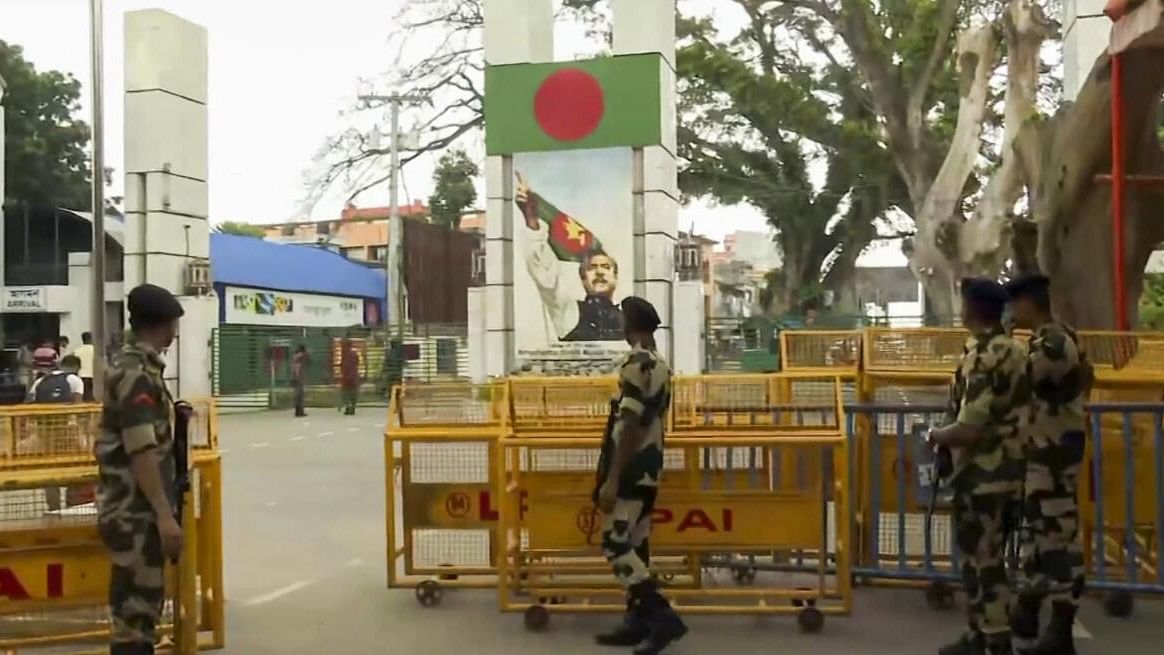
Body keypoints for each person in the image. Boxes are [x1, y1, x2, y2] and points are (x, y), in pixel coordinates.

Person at [929, 278, 1029, 655]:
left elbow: (970, 427)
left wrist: (936, 437)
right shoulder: (1013, 351)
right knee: (987, 556)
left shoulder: (985, 355)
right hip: (1009, 471)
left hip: (984, 474)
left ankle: (995, 638)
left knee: (982, 561)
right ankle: (980, 634)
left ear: (971, 308)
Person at [95, 283, 186, 654]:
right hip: (136, 513)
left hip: (134, 510)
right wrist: (165, 517)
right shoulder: (136, 373)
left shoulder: (137, 365)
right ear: (163, 324)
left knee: (138, 616)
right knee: (135, 621)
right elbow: (141, 449)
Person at [1004, 274, 1091, 655]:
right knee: (1039, 537)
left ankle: (1061, 628)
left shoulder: (1055, 343)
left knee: (1059, 541)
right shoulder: (1045, 340)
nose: (1011, 310)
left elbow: (1014, 382)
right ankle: (1029, 609)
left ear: (1030, 303)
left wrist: (1003, 344)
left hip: (1054, 453)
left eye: (1015, 302)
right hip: (1041, 451)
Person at [593, 296, 686, 655]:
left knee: (615, 543)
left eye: (620, 316)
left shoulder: (636, 363)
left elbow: (629, 423)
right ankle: (638, 622)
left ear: (629, 323)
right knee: (637, 543)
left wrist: (613, 479)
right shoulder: (659, 363)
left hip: (632, 468)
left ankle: (662, 618)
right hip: (651, 466)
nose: (617, 321)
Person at [515, 172, 624, 342]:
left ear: (616, 277)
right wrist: (532, 221)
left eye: (606, 267)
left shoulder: (630, 320)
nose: (600, 272)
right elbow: (545, 277)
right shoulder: (569, 313)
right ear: (583, 279)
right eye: (592, 268)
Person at [30, 353, 87, 512]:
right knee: (76, 466)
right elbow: (78, 406)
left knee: (50, 470)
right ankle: (73, 504)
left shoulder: (40, 381)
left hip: (45, 431)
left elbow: (31, 406)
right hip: (68, 429)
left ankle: (53, 508)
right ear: (77, 367)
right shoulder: (75, 380)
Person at [339, 339, 360, 415]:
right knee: (353, 393)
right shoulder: (354, 353)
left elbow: (344, 366)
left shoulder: (345, 354)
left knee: (346, 393)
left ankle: (348, 408)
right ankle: (352, 408)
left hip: (347, 377)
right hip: (354, 376)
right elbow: (357, 363)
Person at [74, 331, 96, 401]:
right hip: (93, 377)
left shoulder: (76, 351)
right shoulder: (96, 350)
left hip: (81, 377)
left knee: (83, 398)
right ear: (91, 339)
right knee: (92, 397)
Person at [292, 344, 309, 417]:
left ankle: (297, 411)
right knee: (300, 396)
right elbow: (308, 360)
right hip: (299, 378)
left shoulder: (295, 358)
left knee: (297, 395)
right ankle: (300, 411)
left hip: (295, 378)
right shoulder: (301, 357)